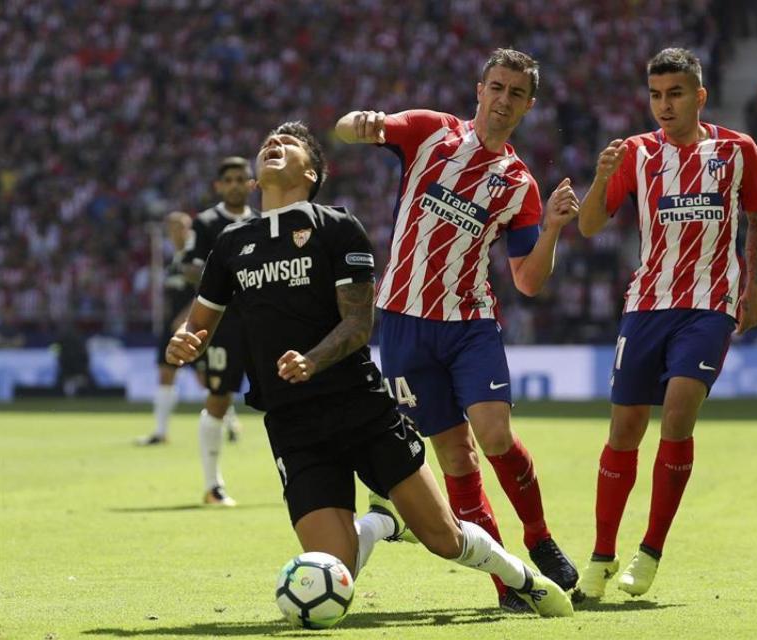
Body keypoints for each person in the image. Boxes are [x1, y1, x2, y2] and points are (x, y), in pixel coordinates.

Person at [165, 121, 573, 618]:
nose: (273, 144)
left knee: (444, 539)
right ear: (254, 181)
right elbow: (201, 322)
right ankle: (382, 523)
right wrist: (185, 340)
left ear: (311, 173)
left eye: (288, 143)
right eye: (267, 141)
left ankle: (521, 577)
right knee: (334, 569)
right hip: (291, 422)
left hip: (359, 407)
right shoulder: (231, 244)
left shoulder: (336, 227)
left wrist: (312, 360)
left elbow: (359, 323)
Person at [335, 48, 579, 611]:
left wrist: (554, 231)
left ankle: (539, 538)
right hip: (401, 324)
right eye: (497, 87)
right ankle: (507, 583)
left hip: (470, 324)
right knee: (456, 458)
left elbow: (528, 281)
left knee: (494, 435)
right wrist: (360, 123)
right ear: (480, 89)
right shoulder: (428, 134)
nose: (504, 100)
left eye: (516, 94)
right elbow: (355, 128)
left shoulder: (519, 184)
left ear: (528, 105)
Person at [575, 47, 757, 599]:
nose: (664, 105)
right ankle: (601, 556)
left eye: (676, 93)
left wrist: (752, 291)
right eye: (657, 95)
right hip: (646, 305)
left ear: (699, 96)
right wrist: (600, 177)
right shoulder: (635, 154)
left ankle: (651, 551)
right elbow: (589, 227)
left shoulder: (737, 150)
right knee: (624, 430)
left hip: (710, 303)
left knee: (678, 413)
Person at [182, 157, 257, 506]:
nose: (235, 184)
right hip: (223, 326)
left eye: (241, 178)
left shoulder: (262, 223)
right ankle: (213, 486)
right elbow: (188, 266)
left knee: (285, 399)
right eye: (228, 179)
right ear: (218, 186)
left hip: (261, 323)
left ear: (252, 184)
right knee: (219, 397)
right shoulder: (207, 223)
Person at [136, 211, 205, 446]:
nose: (178, 231)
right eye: (173, 227)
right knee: (165, 374)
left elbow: (204, 291)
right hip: (172, 325)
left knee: (206, 380)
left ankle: (229, 421)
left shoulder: (194, 259)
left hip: (192, 325)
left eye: (182, 227)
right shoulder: (172, 261)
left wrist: (186, 318)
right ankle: (160, 431)